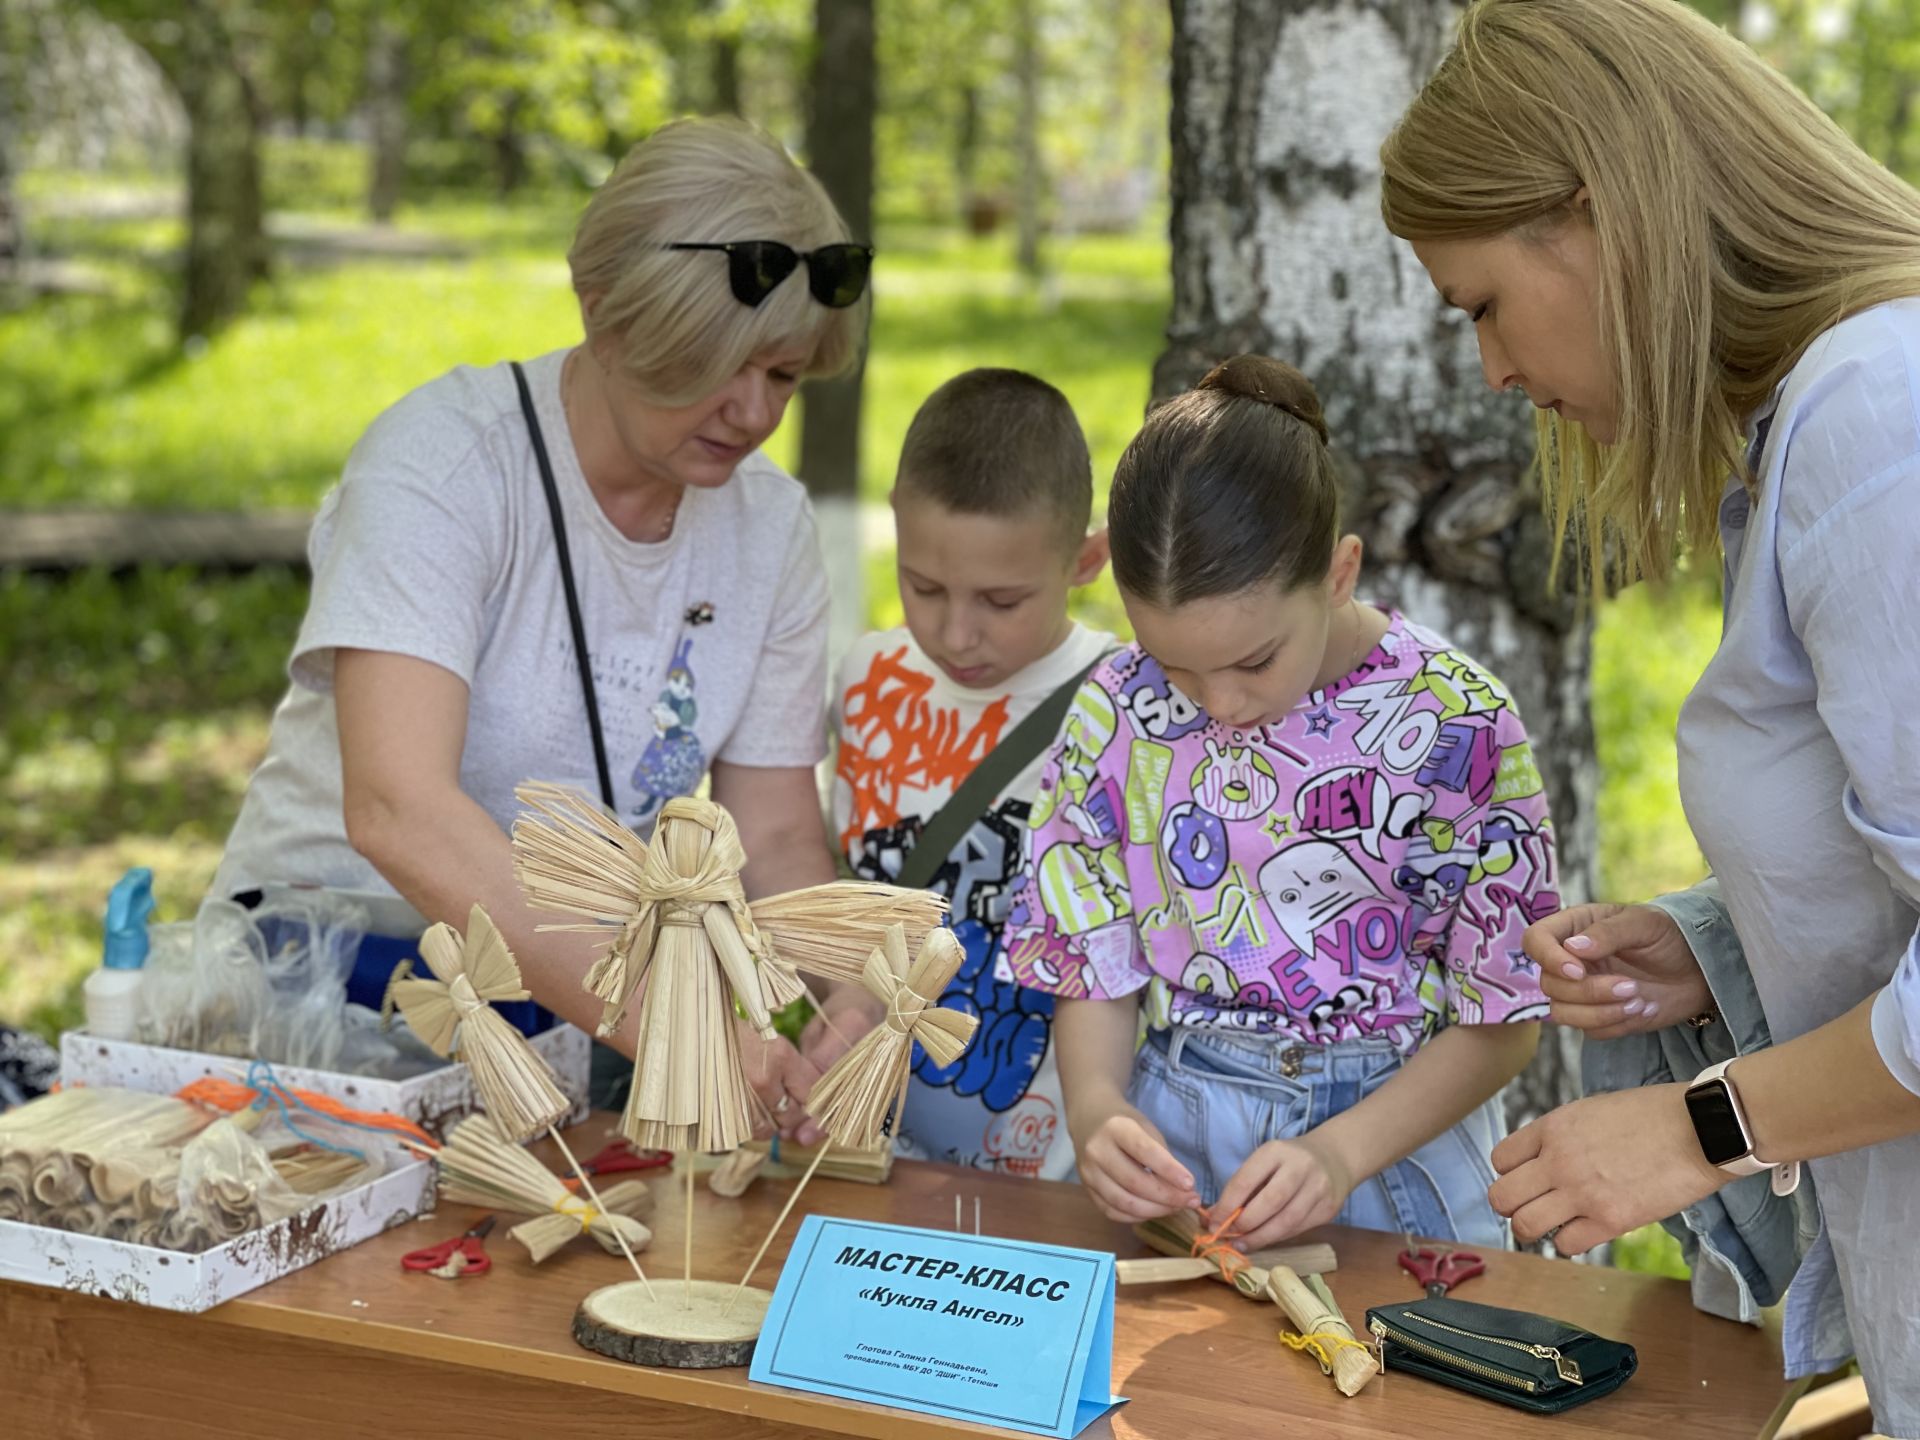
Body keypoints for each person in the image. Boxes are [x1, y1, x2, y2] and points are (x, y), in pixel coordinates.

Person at [1381, 0, 1920, 1429]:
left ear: (1597, 214)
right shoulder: (1823, 421)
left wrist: (1703, 1125)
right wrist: (1723, 942)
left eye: (1483, 304)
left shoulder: (1879, 420)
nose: (1493, 372)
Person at [213, 116, 881, 1137]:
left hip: (580, 1008)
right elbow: (399, 809)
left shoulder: (771, 527)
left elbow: (775, 835)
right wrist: (680, 1022)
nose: (752, 411)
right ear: (605, 311)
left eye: (784, 374)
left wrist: (832, 999)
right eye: (717, 363)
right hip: (324, 995)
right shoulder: (446, 464)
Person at [997, 355, 1557, 1253]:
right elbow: (1090, 964)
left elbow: (1506, 1018)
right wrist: (1099, 1109)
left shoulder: (1455, 722)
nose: (1217, 704)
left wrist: (1341, 1154)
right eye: (1175, 667)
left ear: (1340, 572)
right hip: (1176, 1159)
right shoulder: (1113, 710)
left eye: (1254, 661)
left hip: (1390, 1155)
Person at [831, 368, 1114, 1180]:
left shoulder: (1126, 702)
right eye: (923, 587)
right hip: (876, 1151)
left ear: (1086, 559)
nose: (956, 633)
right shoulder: (866, 678)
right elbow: (849, 880)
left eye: (1001, 600)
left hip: (1057, 1168)